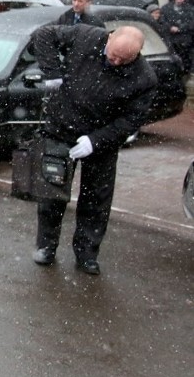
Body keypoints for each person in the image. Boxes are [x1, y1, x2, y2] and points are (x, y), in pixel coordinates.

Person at [31, 24, 157, 275]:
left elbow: (130, 121)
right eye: (114, 54)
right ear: (110, 38)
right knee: (52, 191)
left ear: (138, 54)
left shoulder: (144, 78)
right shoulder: (86, 36)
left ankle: (87, 254)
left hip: (102, 140)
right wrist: (52, 72)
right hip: (61, 126)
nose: (116, 61)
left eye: (124, 59)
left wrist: (95, 141)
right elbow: (44, 34)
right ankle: (46, 246)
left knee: (96, 199)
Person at [158, 0, 194, 72]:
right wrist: (170, 27)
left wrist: (180, 28)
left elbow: (192, 22)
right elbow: (162, 21)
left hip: (185, 40)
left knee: (186, 62)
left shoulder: (190, 9)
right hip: (171, 40)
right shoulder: (165, 8)